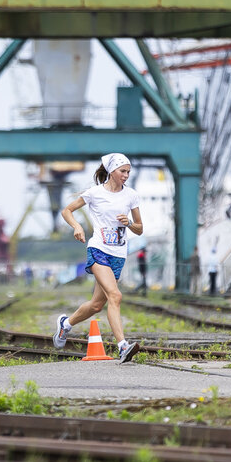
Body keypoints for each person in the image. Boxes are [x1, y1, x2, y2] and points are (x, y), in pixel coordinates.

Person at [53, 153, 143, 364]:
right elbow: (67, 210)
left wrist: (128, 223)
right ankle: (122, 346)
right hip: (99, 250)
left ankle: (65, 324)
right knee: (115, 296)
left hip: (119, 254)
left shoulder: (131, 196)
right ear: (112, 171)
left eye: (128, 172)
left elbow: (140, 229)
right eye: (123, 171)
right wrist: (77, 226)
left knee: (96, 305)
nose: (126, 175)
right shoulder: (95, 193)